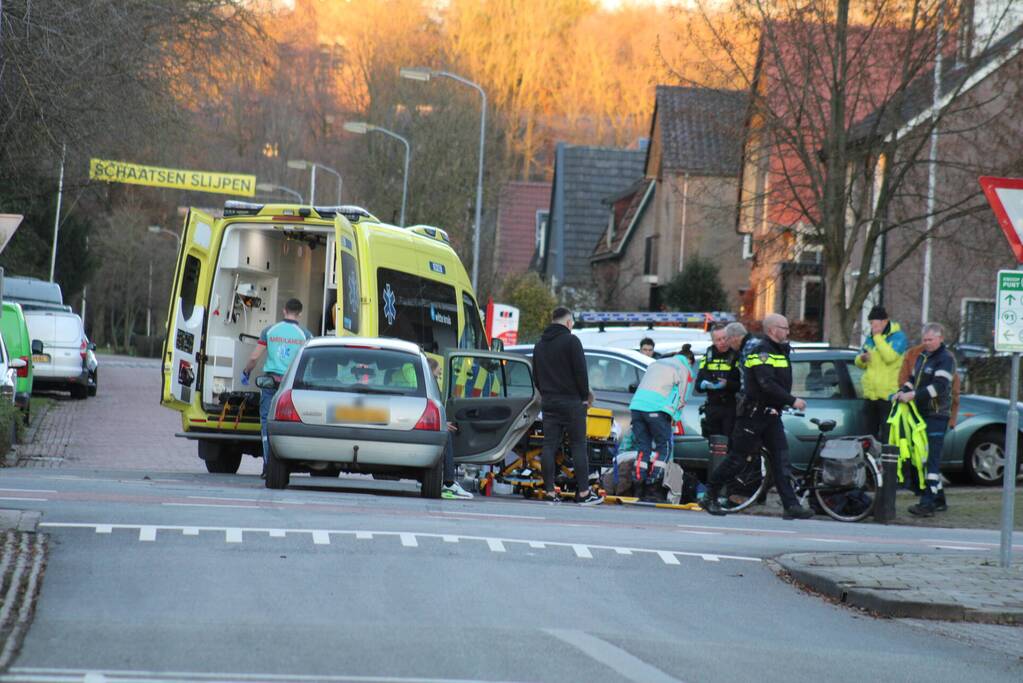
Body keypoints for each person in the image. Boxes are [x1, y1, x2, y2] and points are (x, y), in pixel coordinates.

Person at [703, 314, 814, 519]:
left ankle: (791, 505)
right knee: (737, 459)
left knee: (781, 460)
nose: (788, 331)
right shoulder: (761, 351)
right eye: (784, 327)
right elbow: (766, 383)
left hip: (771, 415)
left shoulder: (778, 350)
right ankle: (710, 495)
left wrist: (782, 403)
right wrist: (792, 400)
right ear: (772, 330)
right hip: (753, 415)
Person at [532, 307, 603, 505]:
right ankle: (583, 493)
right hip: (572, 402)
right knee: (578, 445)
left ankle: (549, 491)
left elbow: (536, 376)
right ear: (568, 322)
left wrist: (546, 393)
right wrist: (584, 397)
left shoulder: (539, 345)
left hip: (549, 402)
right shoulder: (572, 341)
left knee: (549, 446)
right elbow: (581, 373)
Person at [242, 299, 313, 478]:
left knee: (266, 423)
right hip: (291, 386)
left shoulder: (269, 331)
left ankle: (268, 465)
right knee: (289, 423)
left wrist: (246, 372)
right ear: (300, 313)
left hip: (270, 384)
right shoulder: (305, 335)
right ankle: (287, 464)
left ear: (284, 310)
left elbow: (254, 357)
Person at [894, 323, 956, 517]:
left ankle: (927, 503)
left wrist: (913, 396)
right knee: (922, 457)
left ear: (940, 339)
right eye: (925, 340)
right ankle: (939, 500)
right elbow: (913, 379)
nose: (927, 343)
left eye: (930, 340)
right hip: (921, 414)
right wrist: (902, 391)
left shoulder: (945, 359)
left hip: (937, 414)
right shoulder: (922, 357)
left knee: (931, 460)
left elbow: (939, 387)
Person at [627, 347, 693, 499]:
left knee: (643, 447)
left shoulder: (657, 363)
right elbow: (681, 398)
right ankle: (653, 485)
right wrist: (674, 418)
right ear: (689, 360)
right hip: (656, 409)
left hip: (636, 407)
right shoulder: (684, 368)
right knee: (664, 447)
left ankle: (638, 485)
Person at [854, 305, 907, 440]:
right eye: (871, 324)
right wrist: (862, 358)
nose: (872, 327)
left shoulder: (898, 337)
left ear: (884, 321)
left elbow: (890, 357)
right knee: (867, 436)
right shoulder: (870, 338)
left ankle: (886, 461)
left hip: (889, 396)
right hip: (871, 395)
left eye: (875, 323)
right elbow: (858, 362)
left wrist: (878, 337)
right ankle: (870, 460)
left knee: (888, 437)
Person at [427, 357, 474, 500]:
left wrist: (441, 422)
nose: (439, 375)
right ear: (431, 371)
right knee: (446, 435)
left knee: (447, 431)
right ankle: (448, 482)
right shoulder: (428, 385)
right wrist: (441, 424)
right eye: (438, 372)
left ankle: (445, 481)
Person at [695, 323, 742, 442]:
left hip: (731, 407)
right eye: (718, 339)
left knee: (730, 443)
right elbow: (698, 385)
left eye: (724, 338)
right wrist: (705, 385)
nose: (722, 342)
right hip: (713, 407)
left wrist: (728, 384)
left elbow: (743, 385)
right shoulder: (708, 356)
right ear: (713, 341)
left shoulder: (737, 355)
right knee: (714, 445)